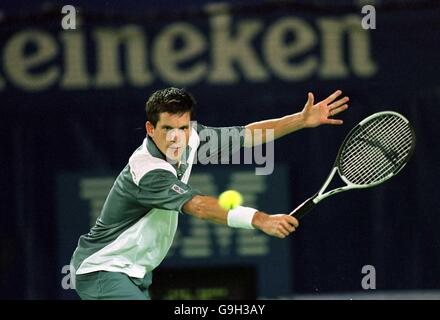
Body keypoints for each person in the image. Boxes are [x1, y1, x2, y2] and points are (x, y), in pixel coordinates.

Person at [70, 87, 349, 300]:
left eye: (182, 128)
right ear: (150, 128)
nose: (175, 138)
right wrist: (260, 219)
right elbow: (200, 206)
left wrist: (300, 120)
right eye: (167, 129)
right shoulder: (148, 170)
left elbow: (247, 135)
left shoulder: (192, 137)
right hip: (102, 270)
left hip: (135, 274)